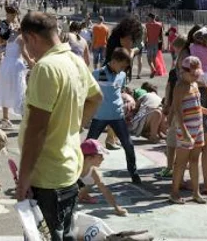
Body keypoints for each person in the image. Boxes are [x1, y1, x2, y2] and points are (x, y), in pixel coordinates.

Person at [16, 12, 103, 241]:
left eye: (26, 42)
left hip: (46, 176)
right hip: (68, 169)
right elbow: (96, 98)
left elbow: (37, 131)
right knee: (66, 234)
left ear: (32, 37)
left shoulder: (45, 67)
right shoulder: (75, 60)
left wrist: (23, 179)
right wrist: (73, 127)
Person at [87, 48, 141, 184]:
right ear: (114, 61)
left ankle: (133, 172)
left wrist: (128, 99)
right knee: (87, 146)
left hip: (117, 116)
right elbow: (87, 93)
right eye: (122, 65)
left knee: (128, 144)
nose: (123, 69)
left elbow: (119, 91)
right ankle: (81, 174)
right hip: (99, 116)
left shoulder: (121, 75)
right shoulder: (96, 74)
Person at [169, 56, 207, 204]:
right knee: (180, 162)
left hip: (197, 128)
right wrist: (184, 132)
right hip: (186, 129)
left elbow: (194, 104)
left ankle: (196, 192)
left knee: (194, 160)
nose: (195, 77)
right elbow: (178, 110)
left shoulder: (194, 85)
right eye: (192, 74)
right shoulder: (181, 86)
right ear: (183, 72)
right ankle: (174, 192)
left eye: (196, 74)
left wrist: (205, 111)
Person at [78, 139, 128, 216]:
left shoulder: (94, 172)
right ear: (89, 158)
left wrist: (116, 207)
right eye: (100, 156)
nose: (103, 159)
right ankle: (81, 195)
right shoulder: (75, 169)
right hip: (71, 193)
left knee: (95, 181)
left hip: (79, 190)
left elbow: (105, 190)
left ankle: (83, 195)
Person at [145, 13, 163, 78]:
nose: (148, 19)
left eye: (148, 18)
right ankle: (154, 72)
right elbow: (161, 36)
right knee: (154, 58)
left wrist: (145, 43)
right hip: (156, 44)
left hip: (150, 43)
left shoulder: (147, 25)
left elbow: (146, 35)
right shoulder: (159, 25)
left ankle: (153, 70)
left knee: (149, 59)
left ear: (150, 18)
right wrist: (162, 44)